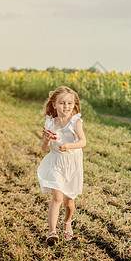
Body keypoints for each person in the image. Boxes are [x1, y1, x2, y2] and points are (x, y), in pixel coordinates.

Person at [37, 86, 86, 245]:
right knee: (57, 197)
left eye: (69, 103)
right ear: (54, 105)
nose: (66, 107)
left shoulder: (75, 121)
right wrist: (45, 141)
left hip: (72, 165)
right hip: (56, 163)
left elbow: (83, 142)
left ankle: (67, 221)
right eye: (62, 103)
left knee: (69, 203)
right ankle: (52, 232)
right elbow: (44, 148)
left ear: (74, 105)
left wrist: (69, 146)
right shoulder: (50, 123)